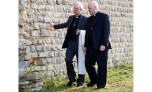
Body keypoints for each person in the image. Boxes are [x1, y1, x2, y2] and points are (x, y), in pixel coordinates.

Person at [50, 2, 87, 87]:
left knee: (80, 62)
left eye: (76, 9)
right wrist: (54, 26)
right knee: (68, 60)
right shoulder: (71, 18)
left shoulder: (85, 19)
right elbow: (65, 25)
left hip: (80, 44)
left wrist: (81, 32)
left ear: (81, 10)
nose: (75, 10)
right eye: (74, 8)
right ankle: (72, 79)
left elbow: (88, 31)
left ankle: (80, 82)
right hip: (71, 44)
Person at [84, 1, 112, 89]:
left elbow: (106, 32)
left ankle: (101, 83)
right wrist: (85, 45)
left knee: (102, 66)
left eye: (89, 8)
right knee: (88, 64)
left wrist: (104, 44)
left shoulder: (104, 17)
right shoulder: (89, 19)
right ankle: (94, 80)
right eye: (88, 8)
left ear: (95, 7)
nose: (88, 10)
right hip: (90, 47)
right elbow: (87, 34)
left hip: (101, 46)